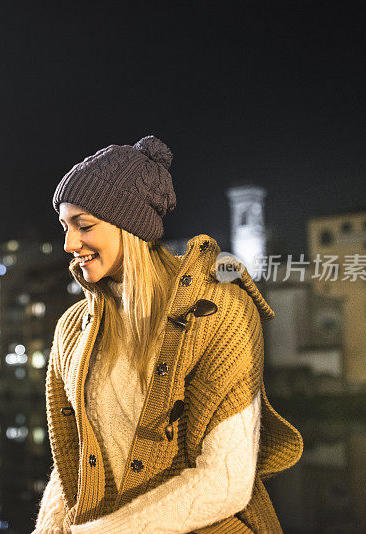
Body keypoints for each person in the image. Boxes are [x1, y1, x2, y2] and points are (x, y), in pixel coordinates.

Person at [33, 136, 303, 533]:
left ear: (131, 226)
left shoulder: (221, 309)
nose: (69, 243)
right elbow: (71, 467)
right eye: (64, 226)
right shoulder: (73, 327)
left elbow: (225, 482)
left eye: (83, 225)